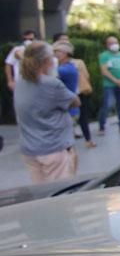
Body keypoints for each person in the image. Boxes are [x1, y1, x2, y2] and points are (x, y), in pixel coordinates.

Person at [13, 41, 80, 183]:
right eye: (52, 57)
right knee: (61, 194)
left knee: (42, 194)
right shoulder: (51, 84)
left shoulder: (20, 82)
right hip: (53, 148)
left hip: (30, 149)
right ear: (46, 61)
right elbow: (75, 102)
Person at [52, 41, 94, 149]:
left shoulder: (65, 69)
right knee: (66, 142)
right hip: (68, 108)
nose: (54, 54)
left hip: (68, 110)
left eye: (57, 51)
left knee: (66, 144)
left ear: (65, 53)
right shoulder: (68, 67)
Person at [98, 35, 120, 134]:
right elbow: (104, 70)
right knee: (107, 105)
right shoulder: (104, 56)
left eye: (115, 42)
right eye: (111, 43)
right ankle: (102, 125)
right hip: (109, 85)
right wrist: (116, 81)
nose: (114, 45)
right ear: (107, 45)